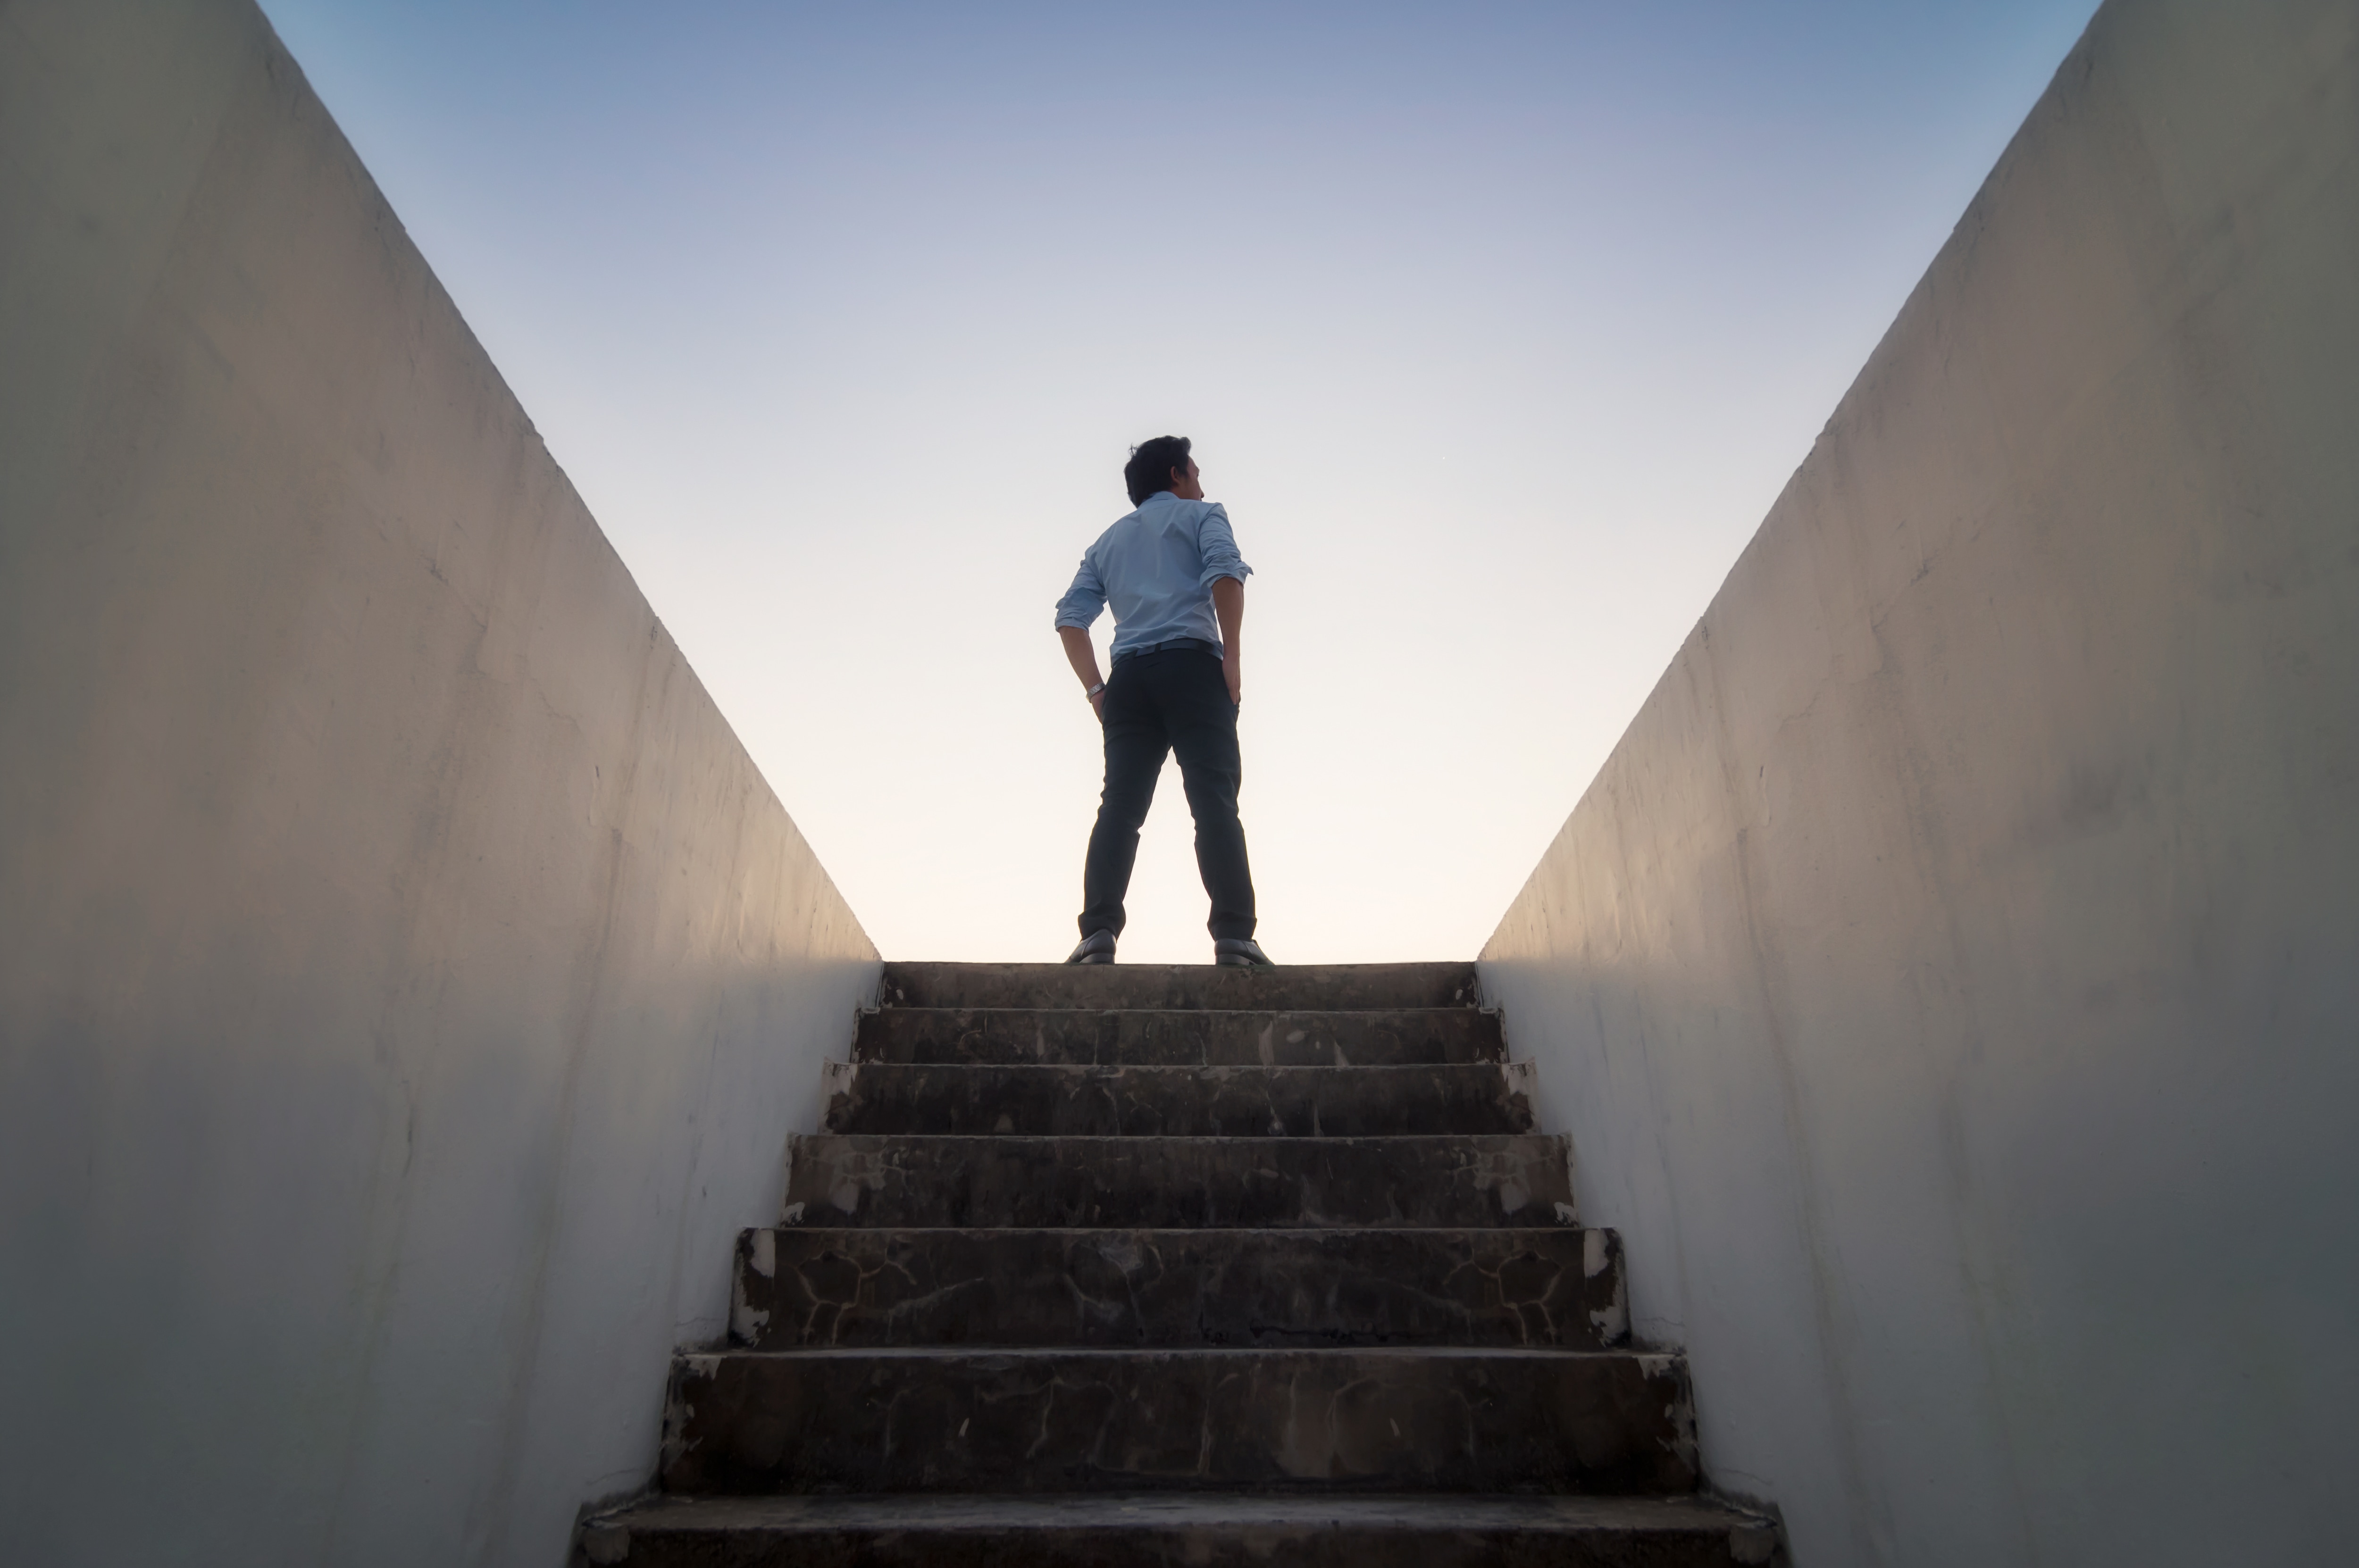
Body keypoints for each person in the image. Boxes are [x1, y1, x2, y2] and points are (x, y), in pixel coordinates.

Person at [1054, 436, 1272, 967]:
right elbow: (1224, 573)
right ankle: (1234, 937)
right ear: (1176, 476)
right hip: (1193, 669)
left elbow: (1069, 618)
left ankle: (1097, 934)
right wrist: (1232, 660)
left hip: (1129, 679)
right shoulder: (1202, 517)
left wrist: (1096, 691)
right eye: (1195, 473)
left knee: (1120, 810)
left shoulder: (1108, 542)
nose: (1201, 484)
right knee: (1214, 802)